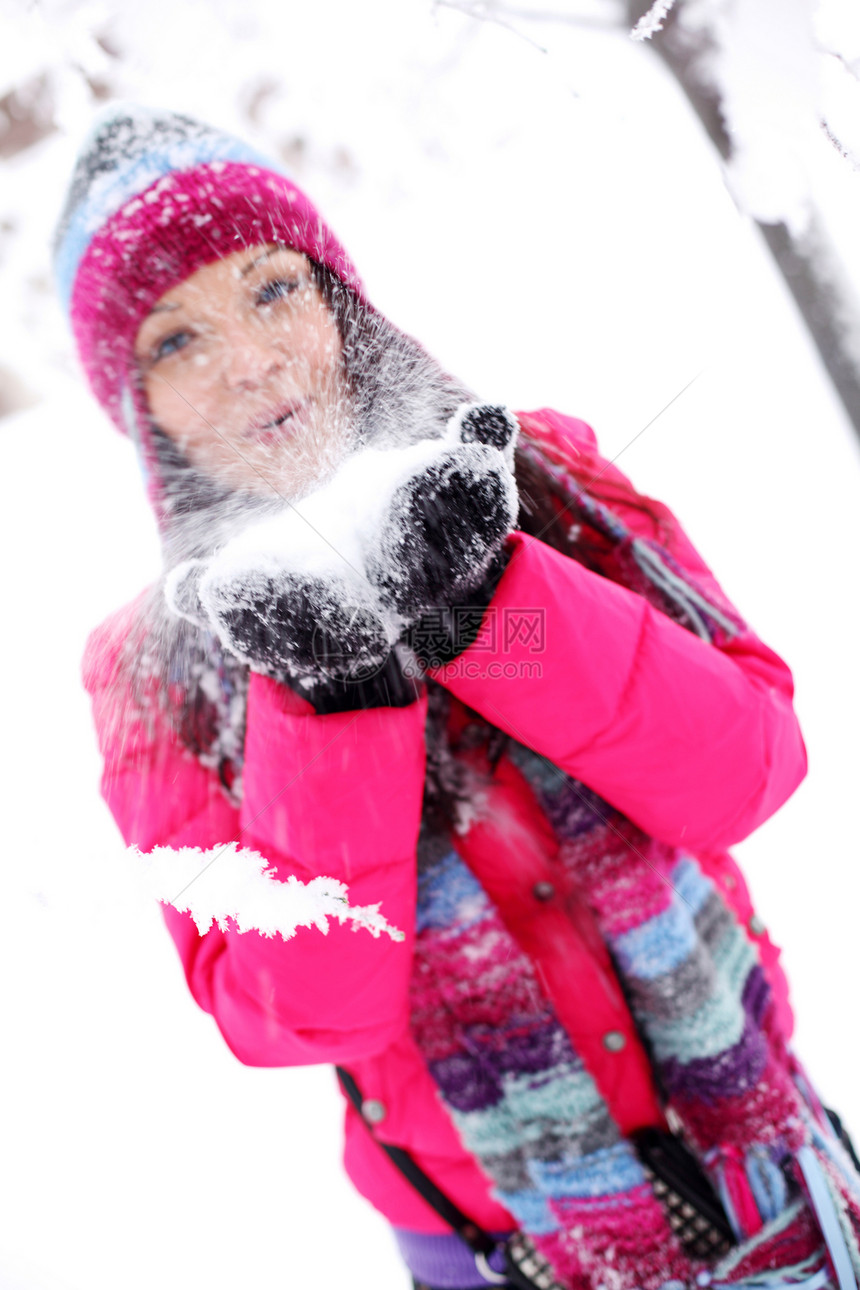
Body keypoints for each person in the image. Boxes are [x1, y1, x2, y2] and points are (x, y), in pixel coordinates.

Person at [55, 104, 860, 1290]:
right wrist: (331, 708)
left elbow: (746, 768)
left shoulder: (534, 473)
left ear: (338, 297)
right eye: (176, 340)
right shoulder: (153, 673)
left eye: (272, 289)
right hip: (486, 1237)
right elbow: (298, 1013)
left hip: (752, 1133)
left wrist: (489, 612)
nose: (248, 359)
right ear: (139, 411)